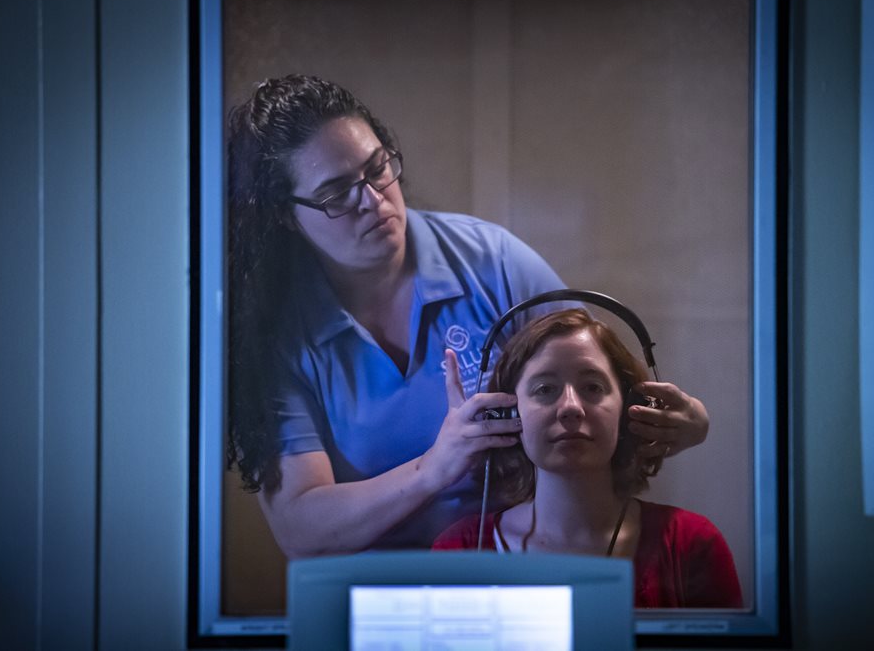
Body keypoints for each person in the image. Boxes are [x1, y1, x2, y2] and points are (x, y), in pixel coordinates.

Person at [226, 74, 711, 557]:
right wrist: (436, 468)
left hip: (519, 569)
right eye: (336, 194)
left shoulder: (493, 262)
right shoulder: (274, 331)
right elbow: (301, 530)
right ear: (284, 215)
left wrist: (681, 425)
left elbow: (596, 395)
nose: (373, 200)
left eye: (377, 168)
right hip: (373, 598)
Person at [432, 309, 742, 609]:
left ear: (629, 408)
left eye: (592, 387)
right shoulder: (457, 551)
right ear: (506, 414)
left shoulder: (692, 544)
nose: (570, 407)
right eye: (545, 389)